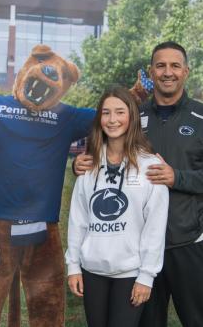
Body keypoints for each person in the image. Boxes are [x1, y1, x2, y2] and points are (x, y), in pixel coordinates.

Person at [74, 41, 203, 327]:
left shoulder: (201, 117)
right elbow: (104, 147)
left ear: (186, 71)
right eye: (160, 65)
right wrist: (80, 164)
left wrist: (177, 177)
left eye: (174, 65)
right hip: (136, 252)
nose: (167, 72)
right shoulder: (132, 116)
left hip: (187, 242)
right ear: (151, 71)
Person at [66, 86, 169, 327]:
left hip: (130, 273)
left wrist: (146, 275)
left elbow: (155, 226)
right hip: (92, 270)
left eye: (120, 112)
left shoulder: (150, 165)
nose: (112, 120)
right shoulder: (88, 165)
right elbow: (78, 220)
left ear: (132, 117)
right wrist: (73, 266)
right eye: (106, 113)